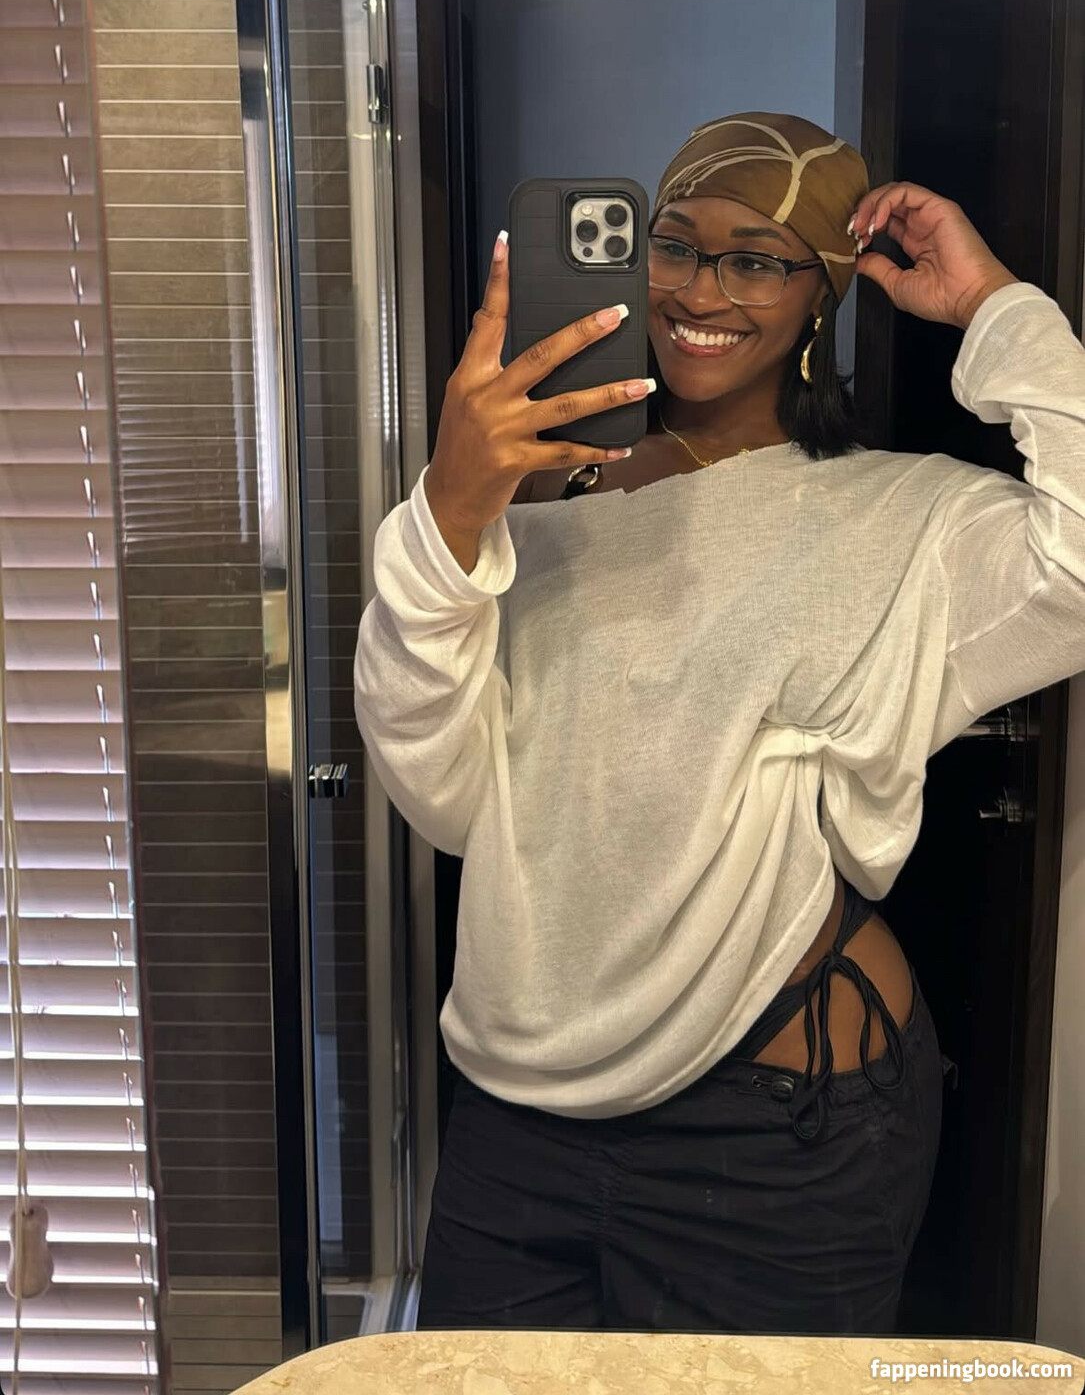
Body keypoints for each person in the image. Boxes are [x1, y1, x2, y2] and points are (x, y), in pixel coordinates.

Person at [354, 111, 1085, 1335]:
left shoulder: (898, 523)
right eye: (674, 244)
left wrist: (991, 305)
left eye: (756, 259)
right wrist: (448, 511)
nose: (700, 290)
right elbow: (441, 798)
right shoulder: (514, 522)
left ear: (820, 294)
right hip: (516, 1123)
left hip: (779, 1129)